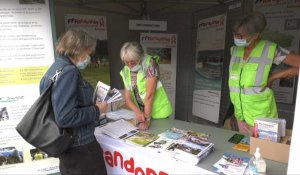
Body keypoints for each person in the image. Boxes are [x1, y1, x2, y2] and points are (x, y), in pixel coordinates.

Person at [39, 29, 107, 175]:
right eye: (88, 53)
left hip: (69, 146)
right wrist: (97, 110)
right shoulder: (68, 72)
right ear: (79, 50)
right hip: (81, 149)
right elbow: (65, 117)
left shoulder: (54, 69)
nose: (88, 57)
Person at [229, 11, 300, 135]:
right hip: (241, 116)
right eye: (235, 34)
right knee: (244, 151)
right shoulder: (234, 51)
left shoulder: (271, 50)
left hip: (262, 118)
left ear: (255, 35)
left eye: (240, 35)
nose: (236, 38)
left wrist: (273, 77)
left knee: (263, 152)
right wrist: (238, 116)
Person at [119, 42, 173, 130]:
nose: (129, 65)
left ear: (139, 57)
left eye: (132, 62)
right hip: (142, 114)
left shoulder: (150, 64)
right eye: (126, 62)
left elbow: (149, 96)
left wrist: (147, 119)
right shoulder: (125, 71)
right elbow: (128, 99)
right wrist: (138, 112)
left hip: (158, 113)